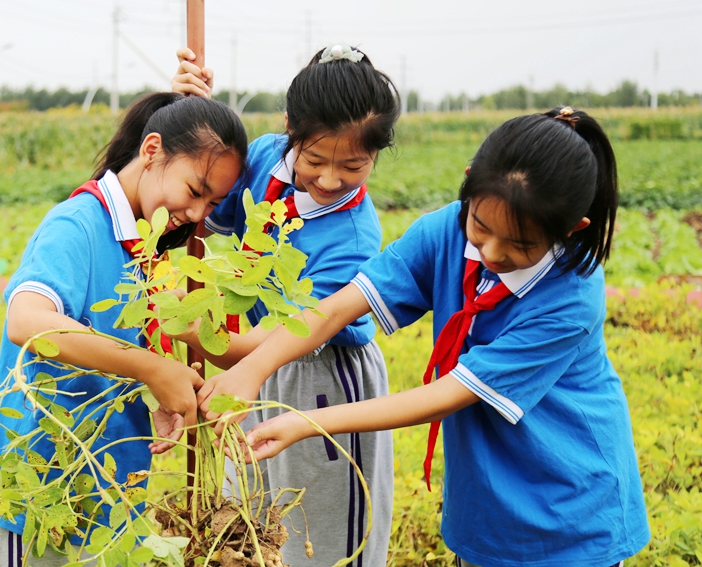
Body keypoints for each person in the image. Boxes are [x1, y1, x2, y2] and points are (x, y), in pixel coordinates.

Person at [215, 108, 651, 567]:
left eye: (522, 245)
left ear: (571, 229)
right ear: (468, 185)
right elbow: (341, 306)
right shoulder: (445, 231)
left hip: (571, 515)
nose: (493, 253)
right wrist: (253, 368)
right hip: (485, 501)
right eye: (481, 227)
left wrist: (307, 422)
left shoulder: (570, 297)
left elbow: (449, 394)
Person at [0, 92, 248, 567]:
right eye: (195, 190)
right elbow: (27, 321)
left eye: (214, 202)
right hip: (33, 492)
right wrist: (152, 368)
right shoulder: (77, 224)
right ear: (151, 151)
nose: (199, 213)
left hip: (103, 491)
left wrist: (152, 384)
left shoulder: (142, 244)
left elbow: (110, 344)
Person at [171, 44, 400, 567]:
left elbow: (294, 334)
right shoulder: (264, 158)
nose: (328, 179)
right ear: (290, 131)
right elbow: (202, 202)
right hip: (254, 369)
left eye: (354, 166)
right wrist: (189, 113)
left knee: (320, 538)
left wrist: (196, 335)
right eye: (315, 159)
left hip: (321, 379)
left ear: (376, 156)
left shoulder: (354, 236)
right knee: (248, 525)